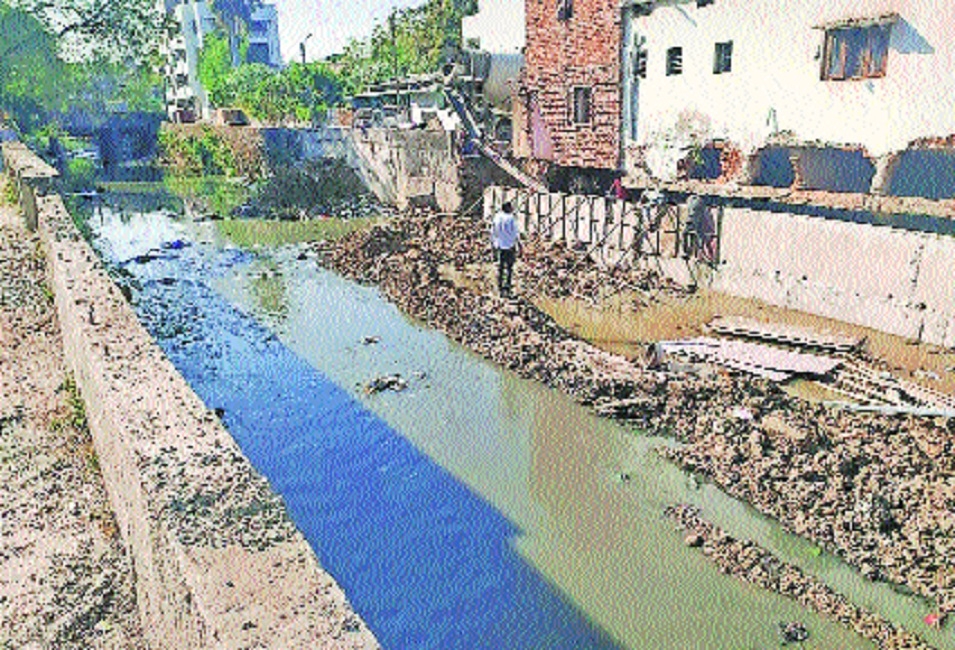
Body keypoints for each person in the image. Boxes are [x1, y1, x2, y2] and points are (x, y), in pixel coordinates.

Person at [491, 201, 521, 297]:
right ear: (508, 208)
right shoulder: (511, 218)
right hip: (509, 246)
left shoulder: (497, 217)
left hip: (499, 246)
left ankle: (500, 286)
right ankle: (507, 286)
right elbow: (515, 233)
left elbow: (493, 232)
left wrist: (493, 245)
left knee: (500, 267)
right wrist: (519, 245)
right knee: (509, 268)